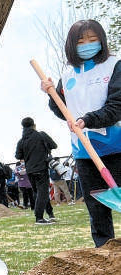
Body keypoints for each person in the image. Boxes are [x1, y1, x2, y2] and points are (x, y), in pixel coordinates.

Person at [41, 19, 121, 246]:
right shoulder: (68, 77)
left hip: (117, 146)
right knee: (97, 210)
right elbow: (62, 110)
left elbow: (117, 106)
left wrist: (88, 120)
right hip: (84, 152)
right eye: (81, 41)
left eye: (92, 40)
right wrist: (51, 94)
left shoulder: (115, 65)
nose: (87, 44)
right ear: (72, 46)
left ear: (101, 41)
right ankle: (105, 255)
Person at [14, 116, 57, 225]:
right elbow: (54, 145)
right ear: (34, 125)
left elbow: (18, 155)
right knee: (42, 193)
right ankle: (39, 217)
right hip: (41, 167)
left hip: (30, 170)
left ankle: (50, 213)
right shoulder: (41, 135)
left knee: (39, 193)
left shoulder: (21, 141)